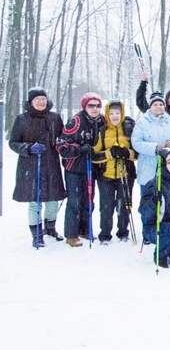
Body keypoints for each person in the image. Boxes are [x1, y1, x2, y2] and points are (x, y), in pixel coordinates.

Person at [10, 87, 66, 247]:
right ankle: (37, 234)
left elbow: (62, 137)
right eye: (37, 99)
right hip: (30, 165)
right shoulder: (22, 119)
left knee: (53, 199)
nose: (41, 102)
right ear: (31, 102)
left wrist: (62, 144)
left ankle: (50, 228)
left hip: (51, 164)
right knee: (35, 201)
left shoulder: (55, 117)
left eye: (43, 99)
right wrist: (28, 148)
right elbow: (13, 143)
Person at [131, 91, 170, 233]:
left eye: (161, 104)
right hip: (148, 167)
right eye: (155, 104)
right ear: (150, 106)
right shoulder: (143, 121)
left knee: (165, 200)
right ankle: (148, 230)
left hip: (168, 167)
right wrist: (155, 148)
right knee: (149, 201)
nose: (159, 107)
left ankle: (163, 228)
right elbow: (136, 142)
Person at [57, 92, 105, 247]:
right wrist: (79, 148)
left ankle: (84, 229)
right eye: (91, 105)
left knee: (89, 200)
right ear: (85, 106)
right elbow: (61, 145)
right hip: (75, 168)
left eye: (98, 105)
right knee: (74, 201)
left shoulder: (102, 120)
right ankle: (71, 234)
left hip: (92, 167)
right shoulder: (76, 121)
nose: (95, 108)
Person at [92, 100, 137, 244]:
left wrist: (126, 152)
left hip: (126, 174)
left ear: (122, 113)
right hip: (106, 175)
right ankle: (105, 234)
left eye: (117, 113)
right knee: (106, 206)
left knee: (124, 205)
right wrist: (109, 153)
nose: (115, 116)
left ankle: (123, 232)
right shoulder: (103, 130)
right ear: (107, 115)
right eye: (111, 113)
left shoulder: (129, 129)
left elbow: (137, 154)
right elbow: (94, 155)